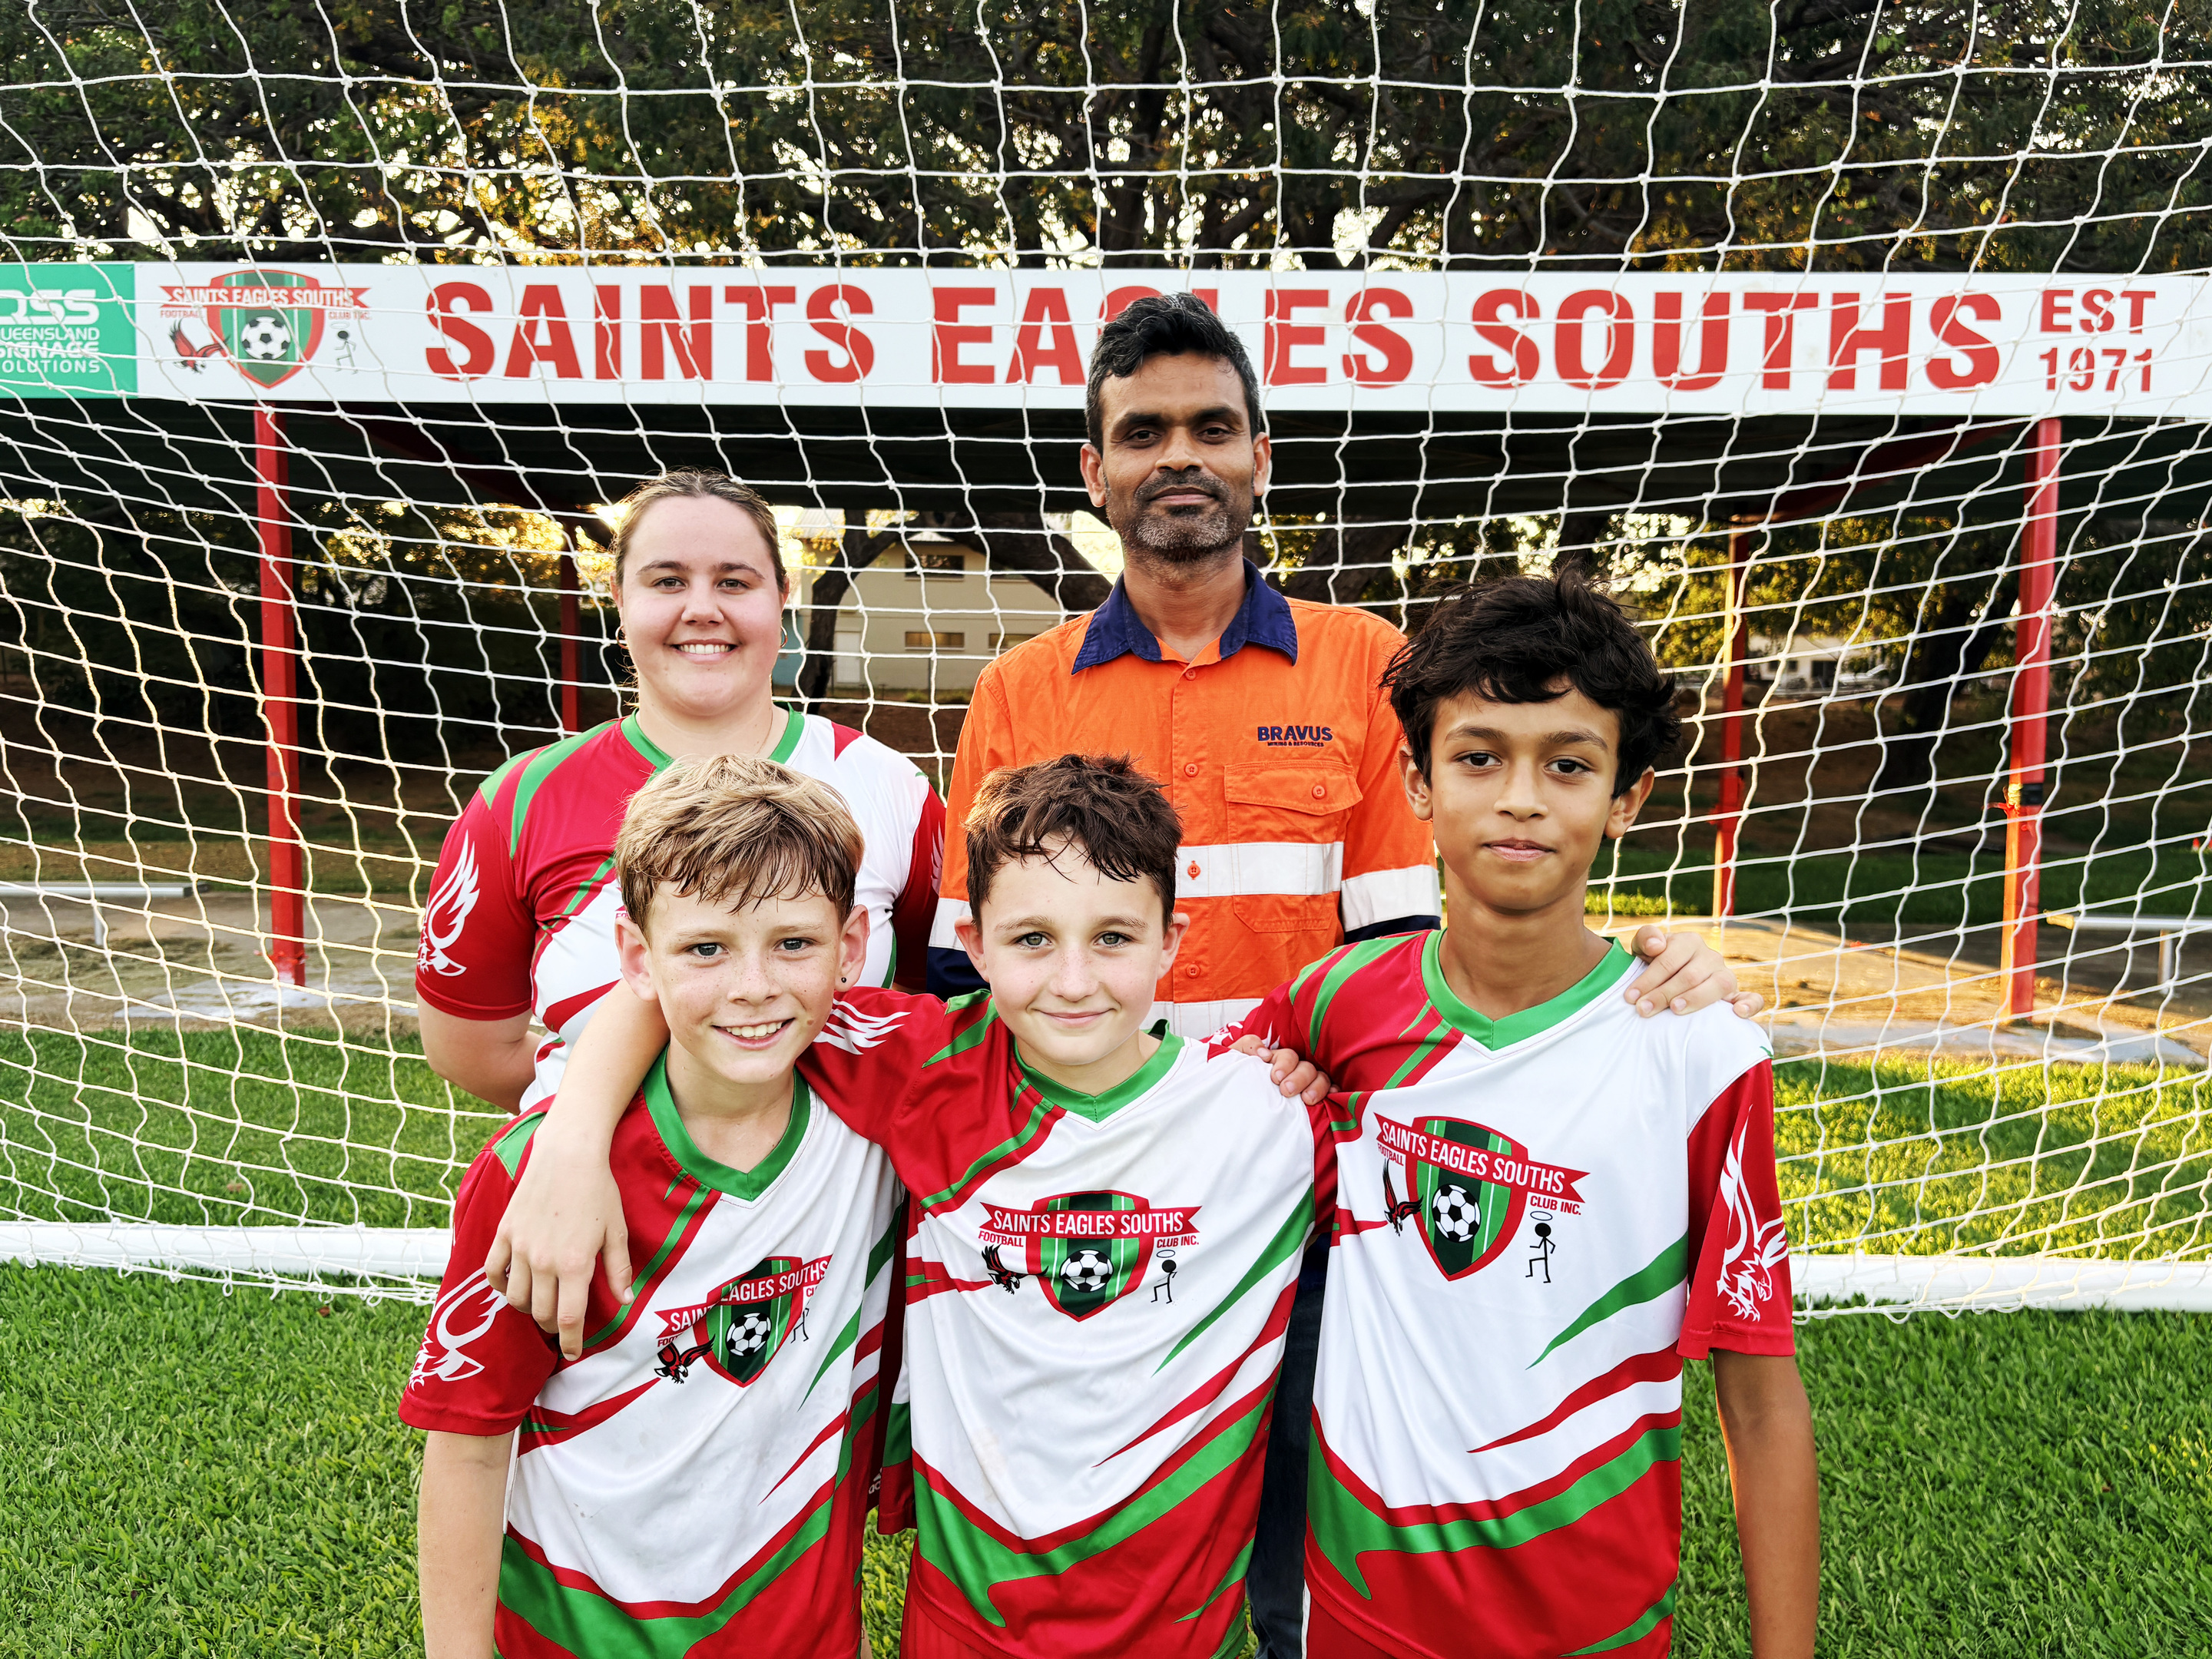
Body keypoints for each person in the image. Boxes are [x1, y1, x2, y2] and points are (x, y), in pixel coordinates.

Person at [925, 292, 1759, 1656]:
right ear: (1095, 471)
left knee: (1295, 1570)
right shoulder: (1020, 690)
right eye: (1143, 432)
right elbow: (984, 974)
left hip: (1305, 1204)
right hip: (1089, 1204)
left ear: (1261, 455)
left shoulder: (1363, 661)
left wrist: (1667, 961)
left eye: (1213, 427)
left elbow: (1391, 970)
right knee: (1104, 1557)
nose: (1178, 456)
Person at [484, 753, 1337, 1657]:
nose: (1075, 980)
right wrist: (571, 1143)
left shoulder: (1270, 1118)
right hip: (962, 1631)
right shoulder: (923, 1063)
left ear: (1173, 941)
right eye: (1033, 939)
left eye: (1116, 939)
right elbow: (689, 990)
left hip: (1187, 1636)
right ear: (974, 947)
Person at [1224, 575, 1819, 1659]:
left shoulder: (1700, 1050)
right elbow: (1173, 1103)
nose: (1521, 799)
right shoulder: (1335, 1003)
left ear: (1627, 797)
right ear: (1414, 778)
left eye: (1570, 765)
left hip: (1592, 1618)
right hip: (1358, 1610)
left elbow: (1761, 1392)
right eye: (1479, 757)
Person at [403, 756, 901, 1659]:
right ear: (638, 954)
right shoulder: (543, 1180)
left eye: (794, 943)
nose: (753, 986)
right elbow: (470, 1447)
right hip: (576, 1639)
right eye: (705, 948)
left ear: (854, 945)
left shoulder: (887, 1100)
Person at [414, 468, 943, 1118]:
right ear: (617, 596)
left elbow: (939, 1005)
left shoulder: (892, 787)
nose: (702, 608)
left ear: (783, 594)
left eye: (733, 582)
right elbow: (472, 1049)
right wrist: (610, 1123)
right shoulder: (520, 802)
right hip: (608, 1200)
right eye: (667, 581)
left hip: (857, 1206)